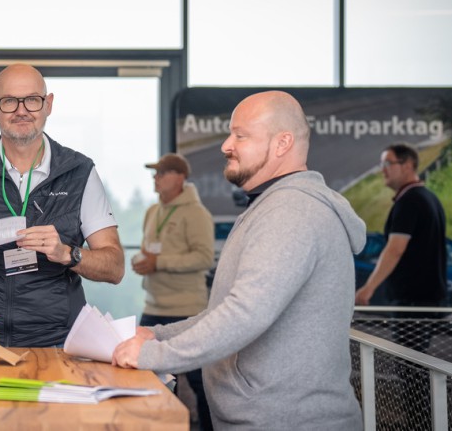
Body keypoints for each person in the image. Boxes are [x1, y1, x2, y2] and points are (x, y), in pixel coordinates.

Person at [113, 91, 365, 430]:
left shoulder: (291, 211)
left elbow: (245, 314)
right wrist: (157, 335)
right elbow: (226, 311)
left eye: (240, 135)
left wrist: (152, 354)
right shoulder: (273, 206)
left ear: (282, 143)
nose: (225, 145)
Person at [0, 63, 125, 347]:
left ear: (48, 104)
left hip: (60, 343)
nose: (21, 110)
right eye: (9, 101)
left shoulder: (80, 172)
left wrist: (68, 253)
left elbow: (115, 267)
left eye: (32, 99)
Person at [133, 153, 214, 430]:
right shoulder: (152, 212)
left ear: (180, 177)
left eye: (162, 173)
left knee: (200, 382)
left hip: (187, 311)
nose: (155, 178)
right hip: (153, 307)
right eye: (154, 173)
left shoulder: (197, 214)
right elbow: (148, 251)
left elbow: (204, 258)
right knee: (151, 379)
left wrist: (159, 262)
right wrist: (142, 262)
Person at [354, 142, 447, 351]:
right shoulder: (429, 198)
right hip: (425, 299)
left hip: (411, 301)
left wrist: (368, 288)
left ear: (408, 165)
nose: (382, 169)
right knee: (417, 361)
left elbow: (395, 249)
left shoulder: (409, 202)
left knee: (408, 364)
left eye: (388, 163)